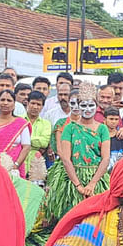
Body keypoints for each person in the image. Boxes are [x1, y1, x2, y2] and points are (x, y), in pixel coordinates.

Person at [44, 82, 110, 223]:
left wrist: (92, 184)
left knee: (97, 219)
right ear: (78, 107)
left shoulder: (102, 129)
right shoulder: (69, 128)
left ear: (96, 106)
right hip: (71, 179)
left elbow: (105, 159)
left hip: (97, 178)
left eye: (91, 105)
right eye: (84, 105)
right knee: (71, 218)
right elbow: (66, 159)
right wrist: (78, 185)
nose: (87, 109)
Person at [0, 89, 31, 175]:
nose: (5, 103)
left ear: (14, 105)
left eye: (9, 100)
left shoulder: (21, 123)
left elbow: (26, 147)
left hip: (14, 168)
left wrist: (16, 165)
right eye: (2, 100)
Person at [24, 90, 52, 182]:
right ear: (27, 103)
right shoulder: (18, 120)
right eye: (32, 103)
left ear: (42, 107)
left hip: (37, 165)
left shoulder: (46, 124)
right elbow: (16, 139)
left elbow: (44, 142)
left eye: (38, 104)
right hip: (20, 162)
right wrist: (36, 142)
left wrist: (25, 140)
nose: (35, 107)